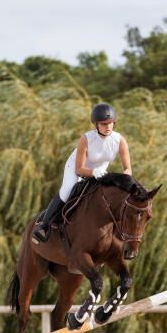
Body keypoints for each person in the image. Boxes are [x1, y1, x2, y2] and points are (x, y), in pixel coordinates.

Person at [32, 103, 132, 243]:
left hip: (100, 171)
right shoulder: (86, 139)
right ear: (96, 124)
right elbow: (79, 169)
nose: (108, 127)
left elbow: (127, 169)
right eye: (104, 124)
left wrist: (123, 182)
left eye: (111, 123)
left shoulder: (120, 141)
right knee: (68, 190)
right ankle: (44, 226)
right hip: (76, 168)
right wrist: (93, 172)